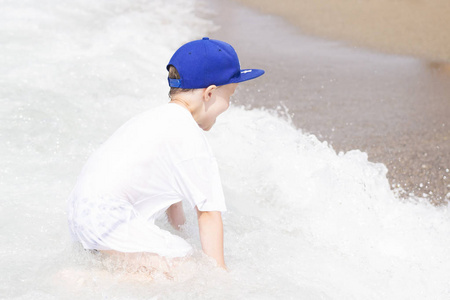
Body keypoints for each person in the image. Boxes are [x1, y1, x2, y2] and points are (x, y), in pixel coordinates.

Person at [67, 37, 264, 270]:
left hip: (80, 215)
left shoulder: (155, 120)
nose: (228, 105)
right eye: (229, 96)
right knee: (192, 271)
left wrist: (181, 236)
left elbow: (174, 205)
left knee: (176, 253)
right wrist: (221, 279)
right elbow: (209, 214)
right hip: (109, 220)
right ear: (209, 94)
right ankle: (82, 281)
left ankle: (100, 270)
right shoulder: (189, 137)